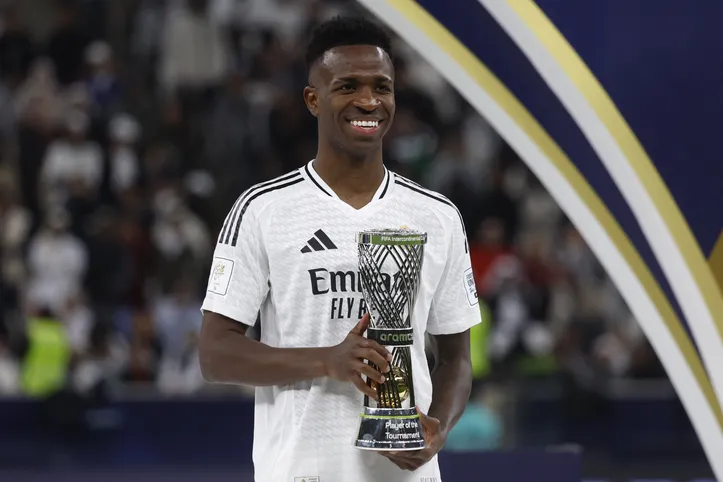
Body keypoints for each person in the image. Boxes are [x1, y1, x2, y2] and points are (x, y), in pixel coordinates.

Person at [198, 15, 481, 482]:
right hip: (300, 472)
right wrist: (326, 360)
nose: (368, 100)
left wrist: (438, 428)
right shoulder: (263, 210)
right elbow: (214, 355)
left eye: (381, 87)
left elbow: (456, 358)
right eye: (348, 86)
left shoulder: (438, 216)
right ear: (314, 99)